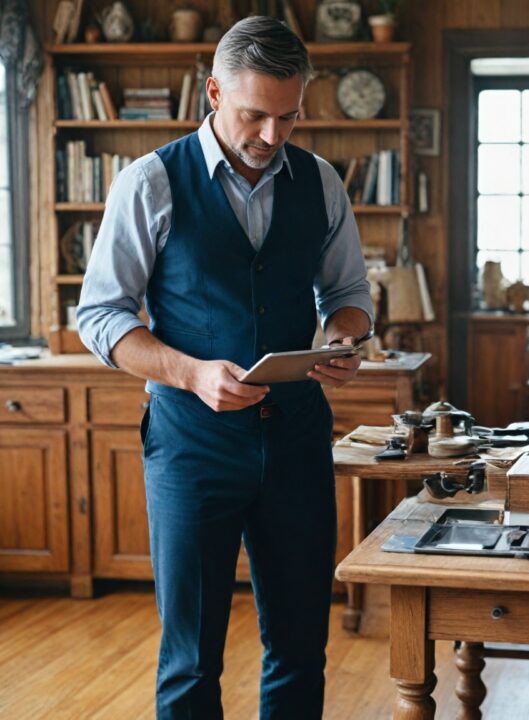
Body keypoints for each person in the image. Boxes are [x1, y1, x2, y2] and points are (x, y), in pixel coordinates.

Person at [77, 17, 373, 720]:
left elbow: (350, 296)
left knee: (301, 648)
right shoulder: (148, 182)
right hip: (191, 449)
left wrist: (342, 337)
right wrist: (189, 373)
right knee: (190, 659)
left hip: (299, 440)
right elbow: (102, 316)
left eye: (289, 115)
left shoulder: (322, 182)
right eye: (255, 114)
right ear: (213, 91)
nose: (273, 135)